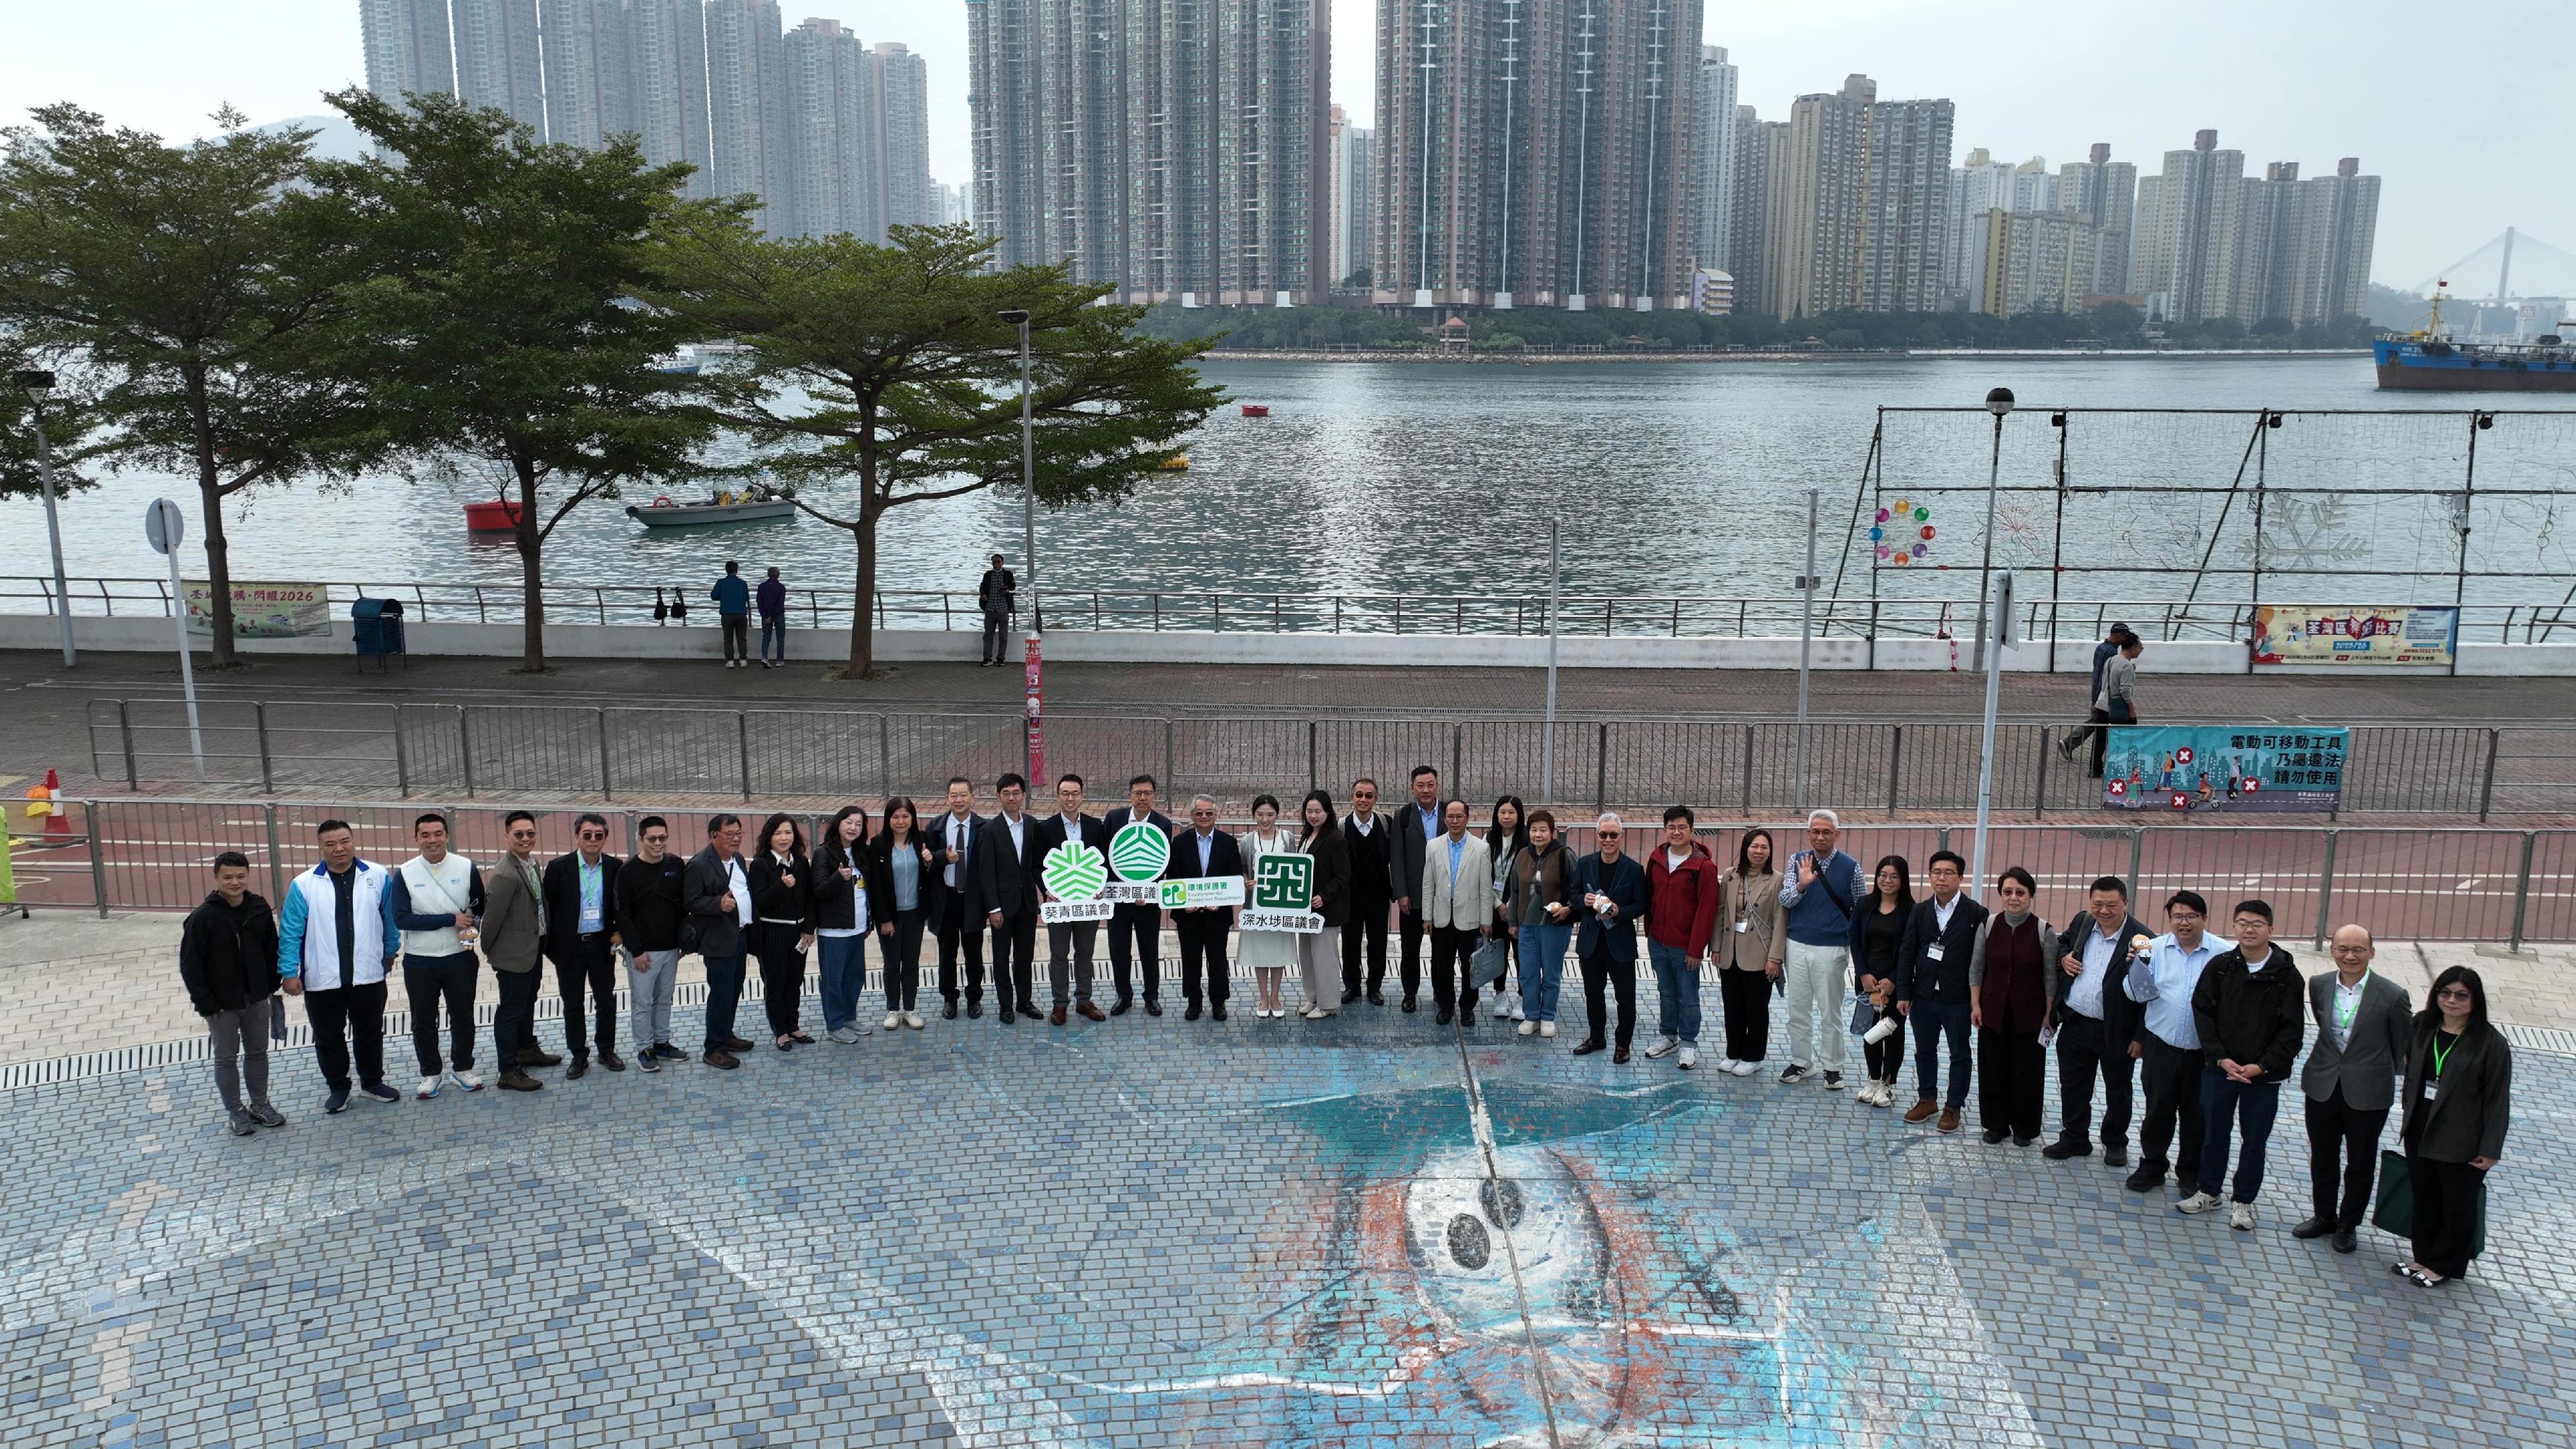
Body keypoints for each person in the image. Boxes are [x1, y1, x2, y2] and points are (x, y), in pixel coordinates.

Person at [2177, 899, 2304, 1229]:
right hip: (2220, 1070)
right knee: (2213, 1133)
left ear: (2271, 930)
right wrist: (2221, 1058)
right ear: (2233, 927)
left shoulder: (2287, 976)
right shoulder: (2220, 967)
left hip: (2262, 1078)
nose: (2249, 930)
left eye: (2257, 924)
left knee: (2254, 1141)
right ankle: (2208, 1191)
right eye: (2242, 923)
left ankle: (2244, 1201)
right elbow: (2202, 1013)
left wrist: (2261, 1067)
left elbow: (2291, 1032)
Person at [2294, 925, 2412, 1254]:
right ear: (2332, 950)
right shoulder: (2318, 985)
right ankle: (2324, 1216)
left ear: (2371, 953)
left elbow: (2401, 1044)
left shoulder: (2392, 995)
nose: (2350, 955)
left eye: (2358, 949)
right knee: (2323, 1156)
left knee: (2360, 1161)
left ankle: (2348, 1224)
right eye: (2343, 948)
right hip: (2323, 1084)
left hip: (2369, 1091)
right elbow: (2323, 1025)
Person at [2393, 966, 2512, 1288]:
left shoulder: (2490, 1043)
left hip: (2463, 1137)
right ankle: (2422, 1256)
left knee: (2456, 1204)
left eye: (2462, 995)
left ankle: (2444, 1264)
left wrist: (2490, 1150)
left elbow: (2498, 1099)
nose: (2452, 1001)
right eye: (2445, 993)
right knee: (2425, 1196)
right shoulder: (2422, 1025)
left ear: (2475, 1001)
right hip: (2420, 1126)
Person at [276, 818, 402, 1113]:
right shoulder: (303, 885)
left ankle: (372, 1082)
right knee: (329, 1037)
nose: (339, 849)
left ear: (353, 841)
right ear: (320, 847)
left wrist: (389, 952)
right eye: (330, 844)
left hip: (368, 975)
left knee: (370, 1032)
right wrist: (288, 972)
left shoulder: (378, 875)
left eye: (344, 841)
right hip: (323, 979)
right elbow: (291, 930)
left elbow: (390, 920)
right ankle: (338, 1087)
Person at [2043, 876, 2148, 1165]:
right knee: (2073, 1085)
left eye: (2111, 905)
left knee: (2118, 1089)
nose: (2103, 911)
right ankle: (2075, 1138)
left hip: (2117, 1030)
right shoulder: (2083, 922)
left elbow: (2148, 993)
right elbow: (2063, 943)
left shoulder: (2141, 939)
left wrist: (2140, 1037)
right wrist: (2064, 958)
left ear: (2125, 903)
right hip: (2076, 1022)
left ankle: (2115, 1142)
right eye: (2097, 904)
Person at [2122, 891, 2222, 1195]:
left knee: (2197, 1116)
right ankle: (2152, 1166)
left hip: (2203, 1053)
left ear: (2205, 918)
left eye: (2192, 916)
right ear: (2169, 920)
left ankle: (2190, 1173)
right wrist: (2134, 967)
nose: (2184, 922)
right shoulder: (2153, 948)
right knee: (2158, 1110)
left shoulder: (2223, 954)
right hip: (2161, 1046)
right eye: (2178, 916)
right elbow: (2134, 994)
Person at [180, 851, 285, 1134]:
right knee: (226, 1058)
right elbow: (191, 965)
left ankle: (259, 1104)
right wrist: (205, 1003)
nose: (235, 882)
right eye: (228, 877)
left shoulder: (259, 908)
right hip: (222, 1005)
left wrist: (270, 985)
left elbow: (271, 949)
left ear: (248, 876)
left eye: (240, 876)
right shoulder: (202, 918)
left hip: (256, 999)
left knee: (257, 1052)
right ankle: (235, 1110)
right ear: (216, 878)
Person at [391, 811, 486, 1100]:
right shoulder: (404, 872)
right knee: (423, 1020)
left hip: (460, 956)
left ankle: (463, 1068)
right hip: (420, 960)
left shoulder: (465, 866)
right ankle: (431, 1073)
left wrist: (473, 925)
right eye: (425, 835)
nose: (432, 840)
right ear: (416, 838)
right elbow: (402, 919)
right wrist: (449, 919)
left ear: (447, 835)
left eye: (437, 834)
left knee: (463, 1016)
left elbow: (479, 906)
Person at [1892, 850, 1985, 1133]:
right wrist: (1904, 993)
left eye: (1948, 873)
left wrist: (1975, 1001)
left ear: (1960, 877)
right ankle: (1927, 1099)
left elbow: (1980, 961)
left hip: (1957, 998)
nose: (1941, 878)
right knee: (1924, 1051)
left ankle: (1953, 1105)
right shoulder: (1920, 911)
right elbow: (1907, 952)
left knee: (1959, 1053)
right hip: (1923, 995)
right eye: (1936, 872)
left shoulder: (1976, 913)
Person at [1777, 809, 1862, 1089]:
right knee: (1797, 1009)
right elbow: (1786, 900)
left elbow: (1860, 909)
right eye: (1815, 831)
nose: (1821, 836)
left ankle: (1833, 1066)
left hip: (1832, 947)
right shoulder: (1797, 861)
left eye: (1827, 832)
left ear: (1837, 835)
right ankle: (1801, 1061)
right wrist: (1802, 884)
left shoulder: (1851, 866)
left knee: (1830, 1011)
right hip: (1798, 944)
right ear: (1808, 833)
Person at [1967, 866, 2052, 1146]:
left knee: (2027, 1073)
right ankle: (1996, 1125)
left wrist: (2049, 1014)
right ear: (2001, 895)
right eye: (2008, 892)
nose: (2013, 898)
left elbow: (2050, 975)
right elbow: (1977, 967)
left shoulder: (2043, 931)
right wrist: (1976, 1004)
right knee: (1993, 1070)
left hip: (2029, 1014)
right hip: (1993, 1011)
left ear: (2031, 896)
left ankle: (2025, 1128)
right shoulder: (1989, 925)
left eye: (2020, 892)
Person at [540, 812, 624, 1077]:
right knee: (573, 1003)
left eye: (599, 835)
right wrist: (553, 950)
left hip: (601, 945)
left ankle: (606, 1050)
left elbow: (621, 906)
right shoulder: (558, 868)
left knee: (606, 1000)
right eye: (587, 835)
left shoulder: (614, 866)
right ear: (577, 836)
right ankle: (578, 1054)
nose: (593, 840)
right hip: (570, 948)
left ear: (605, 838)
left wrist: (619, 933)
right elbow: (547, 909)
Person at [1642, 806, 1720, 1070]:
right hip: (1658, 943)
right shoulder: (1656, 860)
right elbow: (1650, 898)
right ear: (1665, 830)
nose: (1676, 832)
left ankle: (1688, 1043)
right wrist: (1650, 933)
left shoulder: (1704, 868)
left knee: (1688, 997)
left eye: (1682, 828)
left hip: (1686, 948)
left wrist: (1696, 949)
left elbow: (1706, 912)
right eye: (1671, 828)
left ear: (1691, 830)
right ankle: (1669, 1037)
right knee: (1666, 994)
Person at [478, 811, 552, 1093]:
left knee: (527, 1002)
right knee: (511, 1010)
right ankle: (508, 1070)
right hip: (513, 956)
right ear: (507, 836)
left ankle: (527, 1049)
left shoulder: (529, 863)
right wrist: (493, 952)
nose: (525, 839)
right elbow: (492, 919)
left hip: (531, 949)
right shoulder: (505, 874)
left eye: (530, 833)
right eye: (519, 834)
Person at [615, 815, 690, 1071]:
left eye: (662, 838)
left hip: (671, 948)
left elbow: (682, 905)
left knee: (665, 999)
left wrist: (683, 943)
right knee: (643, 1002)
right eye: (652, 839)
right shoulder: (627, 872)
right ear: (641, 840)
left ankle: (662, 1042)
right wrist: (636, 950)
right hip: (643, 952)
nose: (658, 843)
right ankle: (644, 1048)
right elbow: (622, 914)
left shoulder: (676, 865)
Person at [1570, 814, 1647, 1061]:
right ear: (1597, 836)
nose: (1608, 840)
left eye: (1613, 835)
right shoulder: (1585, 864)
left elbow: (1642, 904)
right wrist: (1582, 900)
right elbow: (1572, 894)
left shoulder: (1634, 870)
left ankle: (1623, 1044)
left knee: (1625, 998)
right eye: (1603, 835)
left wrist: (1619, 911)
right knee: (1593, 994)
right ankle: (1597, 1037)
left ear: (1621, 837)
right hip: (1591, 943)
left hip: (1620, 944)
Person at [684, 813, 756, 1069]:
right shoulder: (699, 864)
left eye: (739, 834)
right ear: (713, 836)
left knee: (734, 989)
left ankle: (726, 1035)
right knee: (721, 994)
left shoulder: (737, 859)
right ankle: (713, 1048)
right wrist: (718, 903)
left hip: (740, 935)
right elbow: (691, 902)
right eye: (730, 835)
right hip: (718, 941)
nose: (736, 839)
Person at [1037, 773, 1109, 1025]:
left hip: (1088, 902)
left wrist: (1100, 887)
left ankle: (1084, 1001)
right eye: (1065, 793)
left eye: (1075, 793)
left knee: (1085, 953)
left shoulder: (1094, 825)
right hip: (1059, 902)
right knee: (1058, 954)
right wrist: (1046, 889)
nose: (1070, 798)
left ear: (1082, 796)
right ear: (1058, 796)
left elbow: (1103, 861)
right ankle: (1060, 1004)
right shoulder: (1045, 828)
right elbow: (1038, 865)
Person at [972, 773, 1044, 1023]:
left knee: (1026, 956)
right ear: (998, 796)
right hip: (1002, 907)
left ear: (1024, 795)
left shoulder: (1033, 825)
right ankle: (1006, 1005)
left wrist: (1043, 892)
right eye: (1006, 793)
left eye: (1016, 793)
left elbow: (1036, 865)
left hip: (1027, 904)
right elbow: (986, 873)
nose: (1011, 798)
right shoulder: (990, 830)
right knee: (1001, 958)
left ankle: (1024, 1001)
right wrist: (993, 908)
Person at [1713, 828, 1783, 1079]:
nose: (1759, 851)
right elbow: (1721, 913)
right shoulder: (1731, 876)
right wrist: (1716, 946)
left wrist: (1775, 958)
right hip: (1730, 953)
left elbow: (1780, 920)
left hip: (1760, 955)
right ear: (1745, 848)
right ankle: (1734, 1053)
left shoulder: (1777, 879)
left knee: (1756, 1009)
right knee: (1732, 1006)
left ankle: (1753, 1056)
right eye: (1755, 846)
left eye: (1764, 847)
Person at [1102, 774, 1174, 1016]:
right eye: (1138, 793)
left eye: (1147, 793)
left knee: (1149, 949)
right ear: (1129, 795)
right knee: (1119, 949)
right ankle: (1124, 995)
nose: (1142, 798)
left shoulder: (1163, 823)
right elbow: (1107, 856)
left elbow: (1162, 861)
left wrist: (1147, 887)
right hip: (1119, 898)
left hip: (1147, 899)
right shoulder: (1114, 818)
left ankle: (1151, 996)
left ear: (1154, 796)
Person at [1164, 793, 1241, 1016]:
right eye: (1199, 813)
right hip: (1188, 915)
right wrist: (1182, 905)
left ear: (1216, 815)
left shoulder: (1228, 843)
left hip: (1217, 914)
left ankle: (1219, 1002)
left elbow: (1234, 878)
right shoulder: (1180, 842)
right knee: (1191, 959)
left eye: (1209, 813)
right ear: (1192, 816)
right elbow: (1173, 878)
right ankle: (1193, 1001)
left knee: (1218, 959)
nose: (1204, 816)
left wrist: (1221, 902)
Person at [1418, 799, 1492, 1027]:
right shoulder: (1433, 846)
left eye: (1460, 816)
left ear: (1467, 819)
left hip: (1469, 919)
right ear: (1444, 818)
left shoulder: (1481, 849)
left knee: (1470, 967)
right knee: (1442, 965)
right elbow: (1428, 884)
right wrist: (1427, 917)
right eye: (1450, 816)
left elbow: (1485, 888)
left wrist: (1486, 920)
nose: (1455, 821)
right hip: (1441, 917)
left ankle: (1468, 1007)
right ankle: (1446, 1005)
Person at [1845, 854, 1911, 1104]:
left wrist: (1893, 980)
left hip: (1896, 984)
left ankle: (1888, 1083)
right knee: (1870, 1032)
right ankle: (1873, 1079)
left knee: (1893, 1033)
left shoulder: (1910, 911)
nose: (1888, 880)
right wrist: (1863, 974)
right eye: (1883, 875)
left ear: (1903, 880)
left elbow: (1909, 950)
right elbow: (1854, 941)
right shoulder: (1864, 905)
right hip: (1867, 983)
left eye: (1894, 876)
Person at [866, 796, 935, 1032]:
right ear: (888, 819)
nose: (901, 821)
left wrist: (929, 862)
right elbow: (876, 885)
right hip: (891, 917)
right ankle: (892, 1009)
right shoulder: (878, 845)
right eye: (895, 817)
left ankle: (911, 1009)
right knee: (892, 963)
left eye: (906, 816)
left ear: (913, 818)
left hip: (915, 913)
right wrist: (884, 919)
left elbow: (931, 875)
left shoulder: (922, 841)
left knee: (912, 963)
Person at [1504, 809, 1575, 1037]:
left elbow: (1577, 887)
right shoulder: (1523, 856)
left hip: (1554, 925)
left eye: (1543, 830)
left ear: (1552, 833)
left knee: (1552, 974)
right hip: (1527, 925)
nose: (1538, 835)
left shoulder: (1565, 855)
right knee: (1528, 973)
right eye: (1534, 830)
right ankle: (1531, 1015)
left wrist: (1570, 909)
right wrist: (1513, 922)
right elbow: (1515, 892)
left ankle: (1548, 1016)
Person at [748, 812, 815, 1050]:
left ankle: (793, 1025)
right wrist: (781, 886)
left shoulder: (800, 862)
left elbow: (810, 898)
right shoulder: (760, 865)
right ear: (768, 837)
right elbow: (759, 901)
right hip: (772, 933)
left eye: (788, 832)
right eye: (778, 833)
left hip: (799, 935)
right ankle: (780, 1031)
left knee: (794, 982)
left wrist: (809, 929)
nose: (784, 838)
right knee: (775, 983)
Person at [811, 806, 875, 1043]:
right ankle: (835, 1024)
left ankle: (849, 1017)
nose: (853, 828)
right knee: (833, 980)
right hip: (834, 930)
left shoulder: (860, 853)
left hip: (857, 928)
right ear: (838, 823)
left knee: (854, 977)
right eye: (849, 822)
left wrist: (869, 921)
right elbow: (818, 891)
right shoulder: (824, 853)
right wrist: (839, 877)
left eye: (858, 824)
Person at [931, 777, 987, 1018]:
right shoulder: (935, 827)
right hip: (947, 898)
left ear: (972, 798)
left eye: (963, 795)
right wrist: (943, 858)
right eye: (954, 795)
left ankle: (974, 997)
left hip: (973, 898)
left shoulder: (984, 827)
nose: (959, 800)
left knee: (974, 952)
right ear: (947, 799)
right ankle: (949, 998)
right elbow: (928, 862)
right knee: (947, 952)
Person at [1389, 765, 1443, 1011]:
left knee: (1442, 950)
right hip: (1413, 897)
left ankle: (1441, 993)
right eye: (1420, 786)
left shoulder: (1450, 813)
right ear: (1412, 788)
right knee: (1410, 950)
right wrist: (1401, 893)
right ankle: (1410, 993)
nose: (1426, 790)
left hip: (1444, 897)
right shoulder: (1403, 816)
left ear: (1437, 787)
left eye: (1430, 785)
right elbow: (1397, 858)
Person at [1294, 790, 1350, 1021]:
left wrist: (1324, 897)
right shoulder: (1307, 835)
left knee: (1325, 958)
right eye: (1309, 811)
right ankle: (1313, 997)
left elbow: (1343, 875)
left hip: (1326, 911)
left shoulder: (1336, 839)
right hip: (1305, 910)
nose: (1313, 816)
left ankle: (1328, 1004)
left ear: (1328, 812)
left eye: (1318, 811)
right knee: (1307, 956)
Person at [1233, 795, 1292, 1017]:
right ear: (1253, 815)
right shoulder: (1248, 841)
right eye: (1260, 815)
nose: (1265, 820)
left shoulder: (1286, 838)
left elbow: (1295, 865)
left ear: (1277, 815)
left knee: (1278, 951)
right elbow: (1243, 867)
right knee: (1260, 952)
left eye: (1270, 815)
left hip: (1281, 906)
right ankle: (1263, 997)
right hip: (1256, 905)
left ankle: (1275, 997)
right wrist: (1245, 881)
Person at [1340, 777, 1394, 1005]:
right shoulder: (1341, 826)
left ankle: (1374, 987)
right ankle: (1352, 985)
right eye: (1359, 795)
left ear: (1376, 799)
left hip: (1378, 896)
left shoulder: (1386, 824)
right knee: (1350, 942)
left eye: (1368, 796)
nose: (1363, 800)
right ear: (1352, 797)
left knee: (1378, 942)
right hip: (1350, 897)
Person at [2056, 623, 2134, 772]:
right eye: (2124, 636)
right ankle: (2069, 743)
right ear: (2118, 635)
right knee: (2097, 723)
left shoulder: (2101, 648)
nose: (2125, 640)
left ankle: (2070, 744)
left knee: (2096, 722)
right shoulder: (2112, 653)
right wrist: (2098, 699)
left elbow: (2098, 675)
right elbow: (2106, 679)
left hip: (2098, 694)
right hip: (2104, 696)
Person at [1483, 796, 1529, 1022]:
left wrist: (1510, 906)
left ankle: (1522, 997)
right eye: (1503, 812)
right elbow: (1485, 875)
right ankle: (1500, 995)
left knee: (1523, 955)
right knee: (1498, 953)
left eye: (1511, 812)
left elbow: (1528, 879)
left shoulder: (1528, 840)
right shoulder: (1489, 838)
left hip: (1519, 909)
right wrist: (1497, 904)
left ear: (1519, 815)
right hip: (1496, 907)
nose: (1507, 817)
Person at [712, 560, 752, 668]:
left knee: (728, 639)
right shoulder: (743, 583)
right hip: (741, 614)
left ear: (726, 570)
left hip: (727, 614)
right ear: (737, 571)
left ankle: (730, 661)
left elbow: (714, 596)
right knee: (742, 638)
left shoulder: (721, 583)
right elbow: (747, 598)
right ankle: (743, 660)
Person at [978, 553, 1016, 666]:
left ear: (1002, 563)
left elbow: (1013, 586)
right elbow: (982, 587)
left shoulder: (1008, 574)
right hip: (990, 608)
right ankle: (987, 659)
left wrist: (1007, 591)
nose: (996, 564)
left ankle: (1001, 659)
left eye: (998, 562)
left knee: (1003, 636)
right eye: (994, 562)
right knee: (988, 635)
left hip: (1003, 608)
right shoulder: (988, 575)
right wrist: (984, 594)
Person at [755, 566, 788, 667]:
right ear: (778, 575)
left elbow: (759, 602)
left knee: (766, 637)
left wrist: (766, 615)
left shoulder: (762, 587)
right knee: (780, 637)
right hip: (778, 615)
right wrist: (772, 615)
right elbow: (780, 604)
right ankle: (780, 660)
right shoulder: (781, 588)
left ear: (768, 575)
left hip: (765, 615)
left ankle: (765, 657)